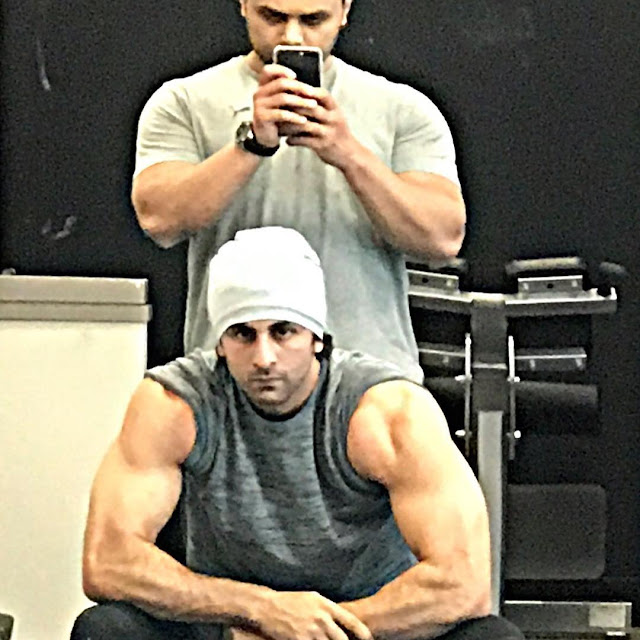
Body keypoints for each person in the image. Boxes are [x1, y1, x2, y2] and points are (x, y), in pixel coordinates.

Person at [71, 227, 522, 640]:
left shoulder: (387, 412)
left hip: (367, 628)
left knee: (491, 638)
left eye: (283, 331)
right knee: (105, 630)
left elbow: (463, 583)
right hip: (235, 630)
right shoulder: (176, 404)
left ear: (317, 337)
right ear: (220, 343)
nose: (264, 357)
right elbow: (108, 562)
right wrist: (260, 610)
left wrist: (313, 631)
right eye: (243, 334)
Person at [131, 0, 467, 382]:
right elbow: (159, 219)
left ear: (344, 10)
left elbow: (442, 238)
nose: (292, 36)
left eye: (313, 20)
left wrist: (350, 155)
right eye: (272, 16)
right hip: (232, 382)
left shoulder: (403, 108)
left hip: (369, 384)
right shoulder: (183, 102)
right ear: (244, 4)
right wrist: (251, 146)